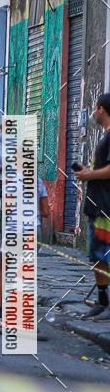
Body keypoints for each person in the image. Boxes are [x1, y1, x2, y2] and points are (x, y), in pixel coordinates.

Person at [0, 175, 50, 333]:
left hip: (15, 230)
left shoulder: (10, 180)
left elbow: (8, 209)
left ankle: (0, 311)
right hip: (33, 230)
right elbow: (46, 212)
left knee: (4, 270)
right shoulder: (39, 182)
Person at [76, 92, 110, 320]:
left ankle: (103, 303)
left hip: (104, 208)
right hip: (98, 204)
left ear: (100, 109)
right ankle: (102, 300)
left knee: (102, 253)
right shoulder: (105, 136)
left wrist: (89, 175)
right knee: (99, 254)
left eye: (95, 107)